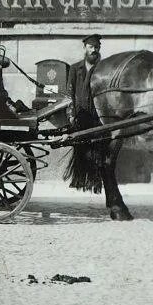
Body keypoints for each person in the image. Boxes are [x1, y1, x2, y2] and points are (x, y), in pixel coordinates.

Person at [64, 34, 110, 198]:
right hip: (81, 114)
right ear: (85, 48)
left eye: (97, 47)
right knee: (81, 148)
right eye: (91, 47)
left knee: (98, 148)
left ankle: (95, 183)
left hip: (98, 114)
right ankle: (79, 181)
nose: (94, 50)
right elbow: (69, 93)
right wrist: (71, 113)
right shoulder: (75, 68)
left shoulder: (104, 69)